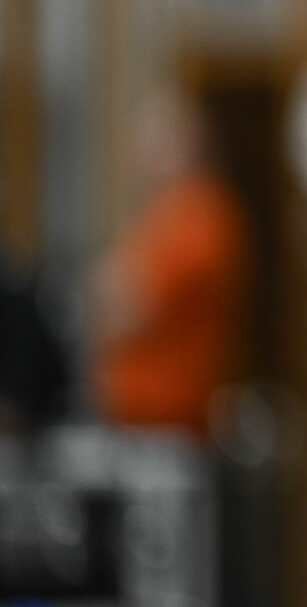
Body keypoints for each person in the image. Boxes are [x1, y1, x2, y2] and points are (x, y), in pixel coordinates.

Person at [92, 89, 249, 440]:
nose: (142, 153)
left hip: (171, 429)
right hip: (134, 424)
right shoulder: (157, 215)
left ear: (187, 142)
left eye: (154, 139)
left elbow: (128, 307)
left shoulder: (200, 216)